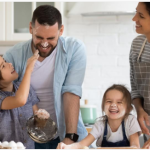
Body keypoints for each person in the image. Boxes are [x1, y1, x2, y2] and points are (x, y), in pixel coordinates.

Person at [3, 4, 87, 149]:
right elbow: (12, 97)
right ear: (31, 28)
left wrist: (70, 137)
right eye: (39, 37)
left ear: (61, 30)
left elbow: (71, 92)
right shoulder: (13, 55)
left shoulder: (74, 49)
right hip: (27, 138)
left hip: (63, 133)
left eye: (51, 38)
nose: (44, 44)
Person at [57, 84, 141, 149]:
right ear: (103, 105)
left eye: (119, 102)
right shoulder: (100, 124)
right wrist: (68, 147)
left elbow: (135, 147)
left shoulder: (131, 121)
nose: (113, 105)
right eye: (109, 101)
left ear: (128, 109)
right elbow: (83, 144)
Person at [0, 51, 39, 149]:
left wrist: (41, 117)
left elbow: (37, 121)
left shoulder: (27, 89)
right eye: (3, 66)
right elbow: (20, 100)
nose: (9, 64)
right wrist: (29, 69)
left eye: (5, 61)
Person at [130, 2, 150, 149]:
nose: (134, 19)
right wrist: (140, 110)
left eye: (141, 16)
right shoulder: (138, 44)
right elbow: (135, 86)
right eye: (136, 12)